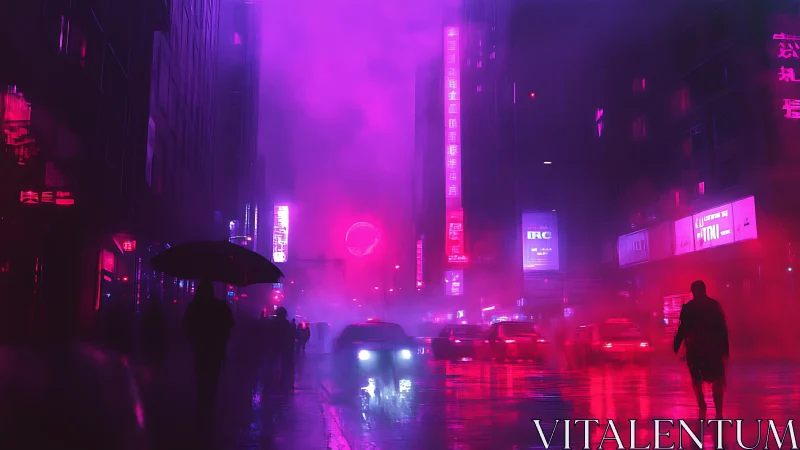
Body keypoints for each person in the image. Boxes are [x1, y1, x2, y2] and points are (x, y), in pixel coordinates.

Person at [673, 280, 730, 420]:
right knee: (717, 379)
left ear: (693, 291)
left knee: (697, 380)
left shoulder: (688, 308)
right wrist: (725, 347)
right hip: (713, 350)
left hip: (695, 350)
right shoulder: (714, 306)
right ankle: (718, 411)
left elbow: (683, 328)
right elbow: (722, 328)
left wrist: (677, 343)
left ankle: (703, 406)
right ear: (705, 290)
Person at [182, 279, 235, 412]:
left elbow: (186, 327)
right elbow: (230, 323)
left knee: (201, 374)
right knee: (212, 375)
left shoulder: (195, 307)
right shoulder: (220, 306)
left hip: (200, 347)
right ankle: (209, 401)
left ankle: (203, 401)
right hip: (216, 347)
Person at [273, 307, 295, 391]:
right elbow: (289, 336)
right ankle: (282, 382)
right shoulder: (286, 324)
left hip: (274, 347)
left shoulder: (273, 322)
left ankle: (275, 382)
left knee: (275, 365)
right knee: (284, 365)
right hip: (284, 347)